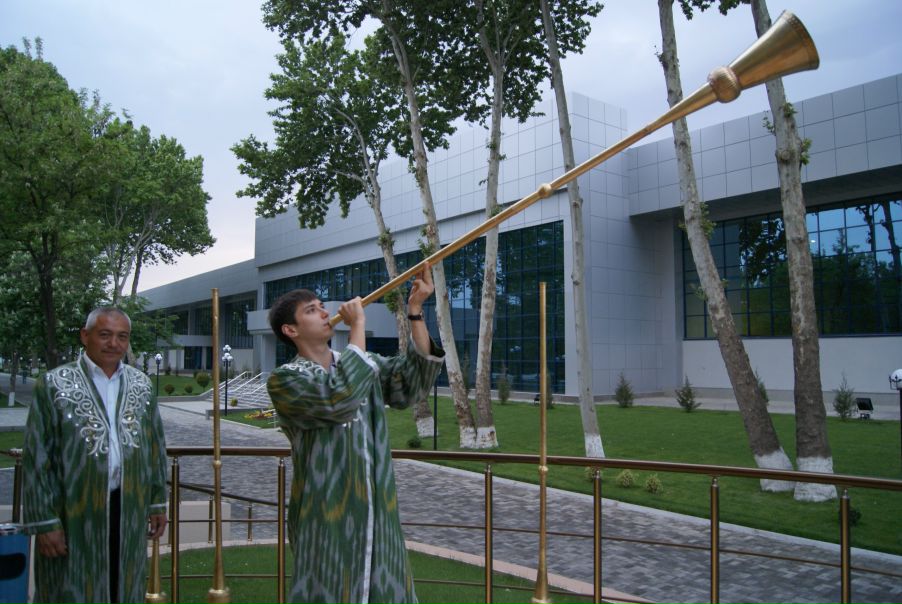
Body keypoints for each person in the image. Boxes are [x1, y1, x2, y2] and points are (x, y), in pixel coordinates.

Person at [267, 263, 445, 604]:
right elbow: (339, 398)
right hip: (324, 514)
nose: (324, 313)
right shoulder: (285, 379)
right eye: (311, 310)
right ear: (290, 330)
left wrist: (415, 310)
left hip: (378, 511)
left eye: (322, 306)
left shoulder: (366, 364)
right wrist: (358, 328)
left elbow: (411, 384)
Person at [22, 307, 168, 604]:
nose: (114, 343)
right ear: (85, 336)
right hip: (72, 510)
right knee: (70, 586)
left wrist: (156, 501)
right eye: (105, 335)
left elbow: (155, 447)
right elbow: (37, 456)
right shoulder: (54, 384)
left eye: (122, 337)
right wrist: (44, 522)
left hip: (129, 507)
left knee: (124, 584)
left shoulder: (141, 385)